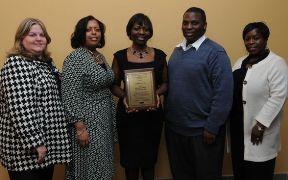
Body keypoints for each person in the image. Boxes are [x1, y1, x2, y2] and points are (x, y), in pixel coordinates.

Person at [164, 7, 233, 180]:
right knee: (181, 174)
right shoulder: (177, 51)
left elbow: (223, 94)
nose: (189, 26)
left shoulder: (216, 53)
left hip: (203, 132)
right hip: (176, 130)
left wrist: (212, 126)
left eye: (194, 23)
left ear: (204, 26)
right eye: (185, 22)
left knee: (206, 175)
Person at [0, 18, 71, 180]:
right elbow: (20, 109)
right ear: (21, 39)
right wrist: (36, 143)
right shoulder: (16, 64)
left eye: (42, 35)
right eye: (32, 34)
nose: (39, 38)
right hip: (25, 152)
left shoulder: (45, 63)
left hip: (44, 145)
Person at [111, 13, 167, 180]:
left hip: (153, 116)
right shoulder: (119, 56)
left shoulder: (160, 55)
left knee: (149, 162)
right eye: (137, 28)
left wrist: (156, 94)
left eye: (146, 28)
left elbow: (166, 83)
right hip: (128, 117)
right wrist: (125, 97)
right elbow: (113, 85)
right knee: (130, 162)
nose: (142, 32)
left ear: (150, 32)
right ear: (129, 31)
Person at [230, 22, 288, 180]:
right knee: (240, 170)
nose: (251, 42)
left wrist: (261, 124)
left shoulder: (276, 64)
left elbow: (278, 96)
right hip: (237, 128)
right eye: (247, 38)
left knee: (259, 171)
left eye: (256, 38)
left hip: (258, 130)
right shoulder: (239, 62)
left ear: (265, 39)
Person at [61, 15, 117, 180]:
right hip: (87, 125)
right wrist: (80, 128)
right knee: (88, 169)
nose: (94, 33)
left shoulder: (99, 56)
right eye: (88, 30)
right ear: (80, 33)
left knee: (102, 166)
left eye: (97, 30)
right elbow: (70, 95)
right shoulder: (75, 58)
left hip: (103, 123)